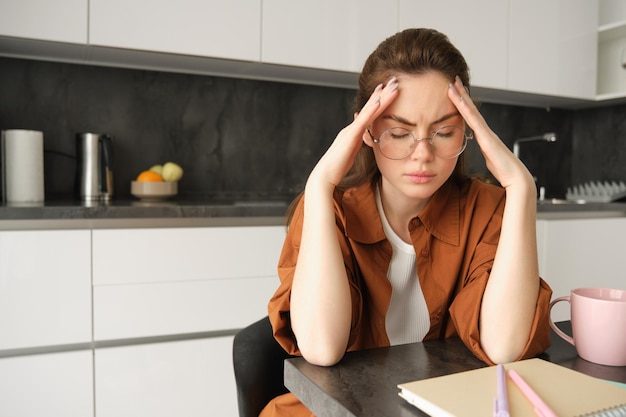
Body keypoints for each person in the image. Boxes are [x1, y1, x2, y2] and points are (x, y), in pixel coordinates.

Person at [261, 28, 552, 417]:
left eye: (444, 132)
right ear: (366, 131)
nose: (422, 154)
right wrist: (319, 185)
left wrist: (521, 187)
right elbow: (321, 348)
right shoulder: (330, 209)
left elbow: (504, 347)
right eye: (399, 133)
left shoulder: (488, 210)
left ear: (469, 129)